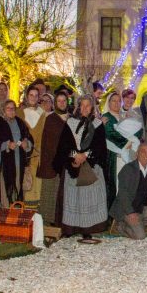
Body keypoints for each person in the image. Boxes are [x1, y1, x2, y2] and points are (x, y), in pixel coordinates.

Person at [53, 95, 109, 239]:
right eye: (82, 105)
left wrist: (85, 156)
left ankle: (88, 228)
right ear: (78, 106)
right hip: (73, 165)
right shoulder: (70, 123)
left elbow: (100, 147)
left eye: (88, 105)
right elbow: (63, 146)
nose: (85, 108)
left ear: (92, 108)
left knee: (88, 197)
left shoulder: (97, 124)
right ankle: (71, 228)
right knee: (73, 197)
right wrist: (75, 156)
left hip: (91, 165)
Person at [109, 143, 147, 240]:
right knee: (140, 236)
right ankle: (120, 226)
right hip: (126, 209)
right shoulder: (128, 169)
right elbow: (122, 194)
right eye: (143, 151)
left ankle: (137, 224)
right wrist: (130, 212)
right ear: (137, 154)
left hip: (142, 208)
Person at [0, 100, 33, 206]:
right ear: (3, 110)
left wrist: (26, 143)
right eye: (8, 108)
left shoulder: (20, 122)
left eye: (13, 108)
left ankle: (16, 211)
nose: (11, 111)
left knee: (18, 186)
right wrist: (6, 145)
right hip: (5, 163)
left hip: (19, 161)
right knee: (6, 189)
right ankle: (6, 212)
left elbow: (29, 138)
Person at [37, 98, 68, 226]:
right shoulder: (51, 119)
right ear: (55, 103)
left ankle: (60, 221)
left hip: (66, 162)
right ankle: (46, 223)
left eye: (64, 101)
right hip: (51, 162)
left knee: (62, 194)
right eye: (59, 101)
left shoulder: (70, 119)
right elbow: (47, 143)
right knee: (49, 193)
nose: (61, 103)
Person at [17, 85, 46, 205]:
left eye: (36, 95)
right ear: (27, 96)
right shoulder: (19, 113)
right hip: (23, 155)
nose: (33, 98)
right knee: (24, 185)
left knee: (36, 188)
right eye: (31, 95)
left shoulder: (43, 113)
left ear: (39, 97)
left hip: (38, 155)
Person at [104, 91, 132, 210]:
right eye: (113, 101)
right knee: (114, 183)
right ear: (108, 103)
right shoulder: (106, 117)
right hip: (113, 156)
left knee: (125, 183)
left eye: (118, 101)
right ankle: (113, 213)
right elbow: (110, 133)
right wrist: (126, 142)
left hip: (126, 155)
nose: (116, 103)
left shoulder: (123, 116)